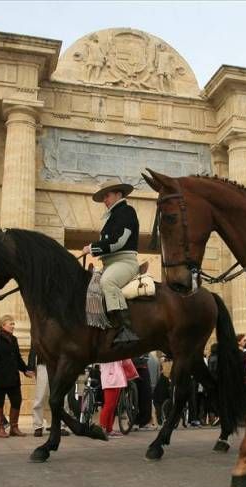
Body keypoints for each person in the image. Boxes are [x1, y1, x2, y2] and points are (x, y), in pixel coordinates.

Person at [83, 178, 140, 344]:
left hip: (125, 262)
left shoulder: (127, 211)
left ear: (118, 194)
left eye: (106, 196)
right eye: (103, 198)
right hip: (109, 264)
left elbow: (119, 241)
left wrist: (92, 248)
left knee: (108, 282)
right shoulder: (112, 216)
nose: (104, 201)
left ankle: (126, 329)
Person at [0, 315, 34, 438]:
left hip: (13, 376)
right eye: (11, 324)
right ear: (3, 325)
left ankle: (14, 428)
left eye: (13, 324)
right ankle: (0, 428)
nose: (13, 326)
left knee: (17, 400)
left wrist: (25, 370)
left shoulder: (14, 339)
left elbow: (17, 358)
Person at [28, 348, 70, 438]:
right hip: (43, 364)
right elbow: (34, 347)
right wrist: (31, 366)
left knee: (62, 396)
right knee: (41, 395)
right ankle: (37, 426)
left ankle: (61, 425)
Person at [98, 360, 127, 438]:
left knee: (113, 406)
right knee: (109, 405)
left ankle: (109, 429)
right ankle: (102, 428)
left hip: (116, 378)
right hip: (110, 378)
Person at [133, 353, 155, 430]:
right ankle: (139, 421)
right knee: (143, 395)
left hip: (141, 365)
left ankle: (142, 421)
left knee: (144, 395)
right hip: (135, 365)